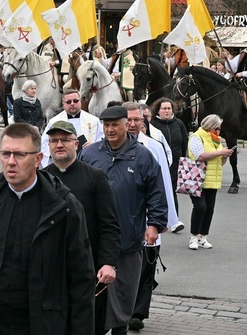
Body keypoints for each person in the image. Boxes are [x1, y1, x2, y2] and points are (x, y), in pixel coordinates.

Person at [0, 123, 96, 334]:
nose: (10, 162)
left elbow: (81, 279)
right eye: (5, 153)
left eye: (19, 155)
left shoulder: (63, 208)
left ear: (37, 159)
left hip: (42, 322)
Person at [78, 105, 168, 335]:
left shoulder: (142, 156)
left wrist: (154, 224)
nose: (110, 130)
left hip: (128, 238)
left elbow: (156, 192)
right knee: (94, 297)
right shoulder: (90, 154)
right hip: (94, 239)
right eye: (106, 125)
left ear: (126, 125)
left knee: (124, 295)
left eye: (114, 125)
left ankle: (120, 331)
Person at [44, 120, 121, 334]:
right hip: (51, 269)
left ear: (76, 144)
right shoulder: (41, 179)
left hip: (89, 268)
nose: (59, 145)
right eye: (54, 141)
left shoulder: (95, 177)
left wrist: (108, 263)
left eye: (65, 140)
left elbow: (109, 225)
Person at [123, 102, 178, 332]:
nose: (134, 124)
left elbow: (165, 184)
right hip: (122, 218)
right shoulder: (106, 146)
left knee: (146, 266)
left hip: (147, 219)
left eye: (138, 120)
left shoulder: (153, 147)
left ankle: (138, 313)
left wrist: (164, 220)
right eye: (129, 120)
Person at [186, 114, 231, 251]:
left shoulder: (216, 140)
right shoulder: (196, 137)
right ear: (210, 126)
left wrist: (224, 156)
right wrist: (220, 153)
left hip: (213, 178)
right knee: (200, 207)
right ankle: (193, 236)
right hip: (197, 178)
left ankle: (203, 236)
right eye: (217, 128)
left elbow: (218, 160)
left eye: (219, 129)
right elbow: (200, 156)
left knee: (210, 209)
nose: (219, 131)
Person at [150, 97, 189, 233]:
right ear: (158, 110)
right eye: (164, 108)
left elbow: (185, 143)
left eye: (169, 108)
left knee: (172, 192)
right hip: (158, 164)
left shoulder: (179, 123)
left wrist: (184, 161)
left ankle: (174, 220)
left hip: (176, 165)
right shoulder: (152, 124)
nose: (167, 111)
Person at [41, 88, 103, 166]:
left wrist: (93, 146)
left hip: (88, 161)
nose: (72, 104)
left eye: (75, 101)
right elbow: (44, 143)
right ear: (63, 104)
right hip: (63, 163)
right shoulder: (54, 122)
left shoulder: (94, 120)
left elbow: (102, 139)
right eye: (68, 102)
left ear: (80, 101)